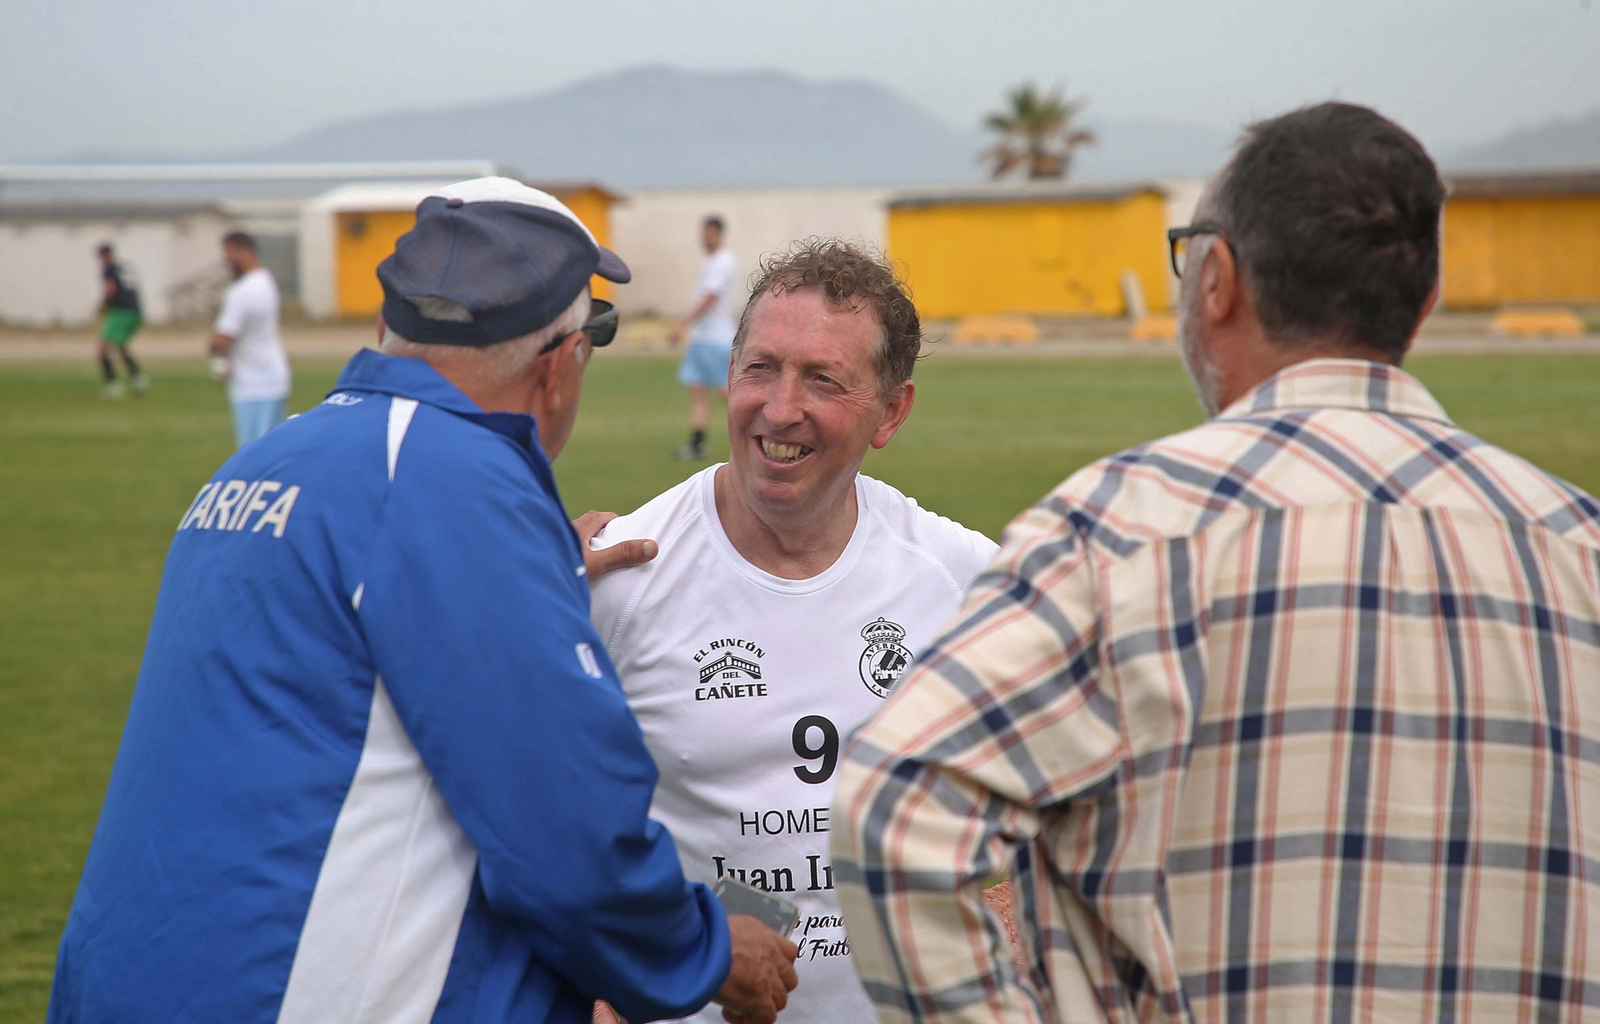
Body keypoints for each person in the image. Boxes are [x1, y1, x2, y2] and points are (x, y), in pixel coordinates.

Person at [833, 102, 1600, 1023]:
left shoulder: (1119, 535)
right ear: (1425, 301)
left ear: (1218, 281)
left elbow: (894, 810)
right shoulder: (1577, 546)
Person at [49, 178, 798, 1024]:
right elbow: (571, 836)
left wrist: (522, 583)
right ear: (558, 366)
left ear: (388, 328)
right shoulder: (457, 485)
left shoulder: (271, 460)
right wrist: (706, 950)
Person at [588, 239, 1000, 1024]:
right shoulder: (619, 575)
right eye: (761, 369)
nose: (780, 409)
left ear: (892, 411)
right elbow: (543, 832)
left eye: (823, 380)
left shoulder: (964, 582)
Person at [210, 231, 292, 448]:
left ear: (245, 252)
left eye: (229, 252)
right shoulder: (266, 281)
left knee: (253, 456)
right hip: (272, 378)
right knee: (270, 452)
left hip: (253, 385)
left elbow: (222, 340)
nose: (226, 259)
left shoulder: (242, 291)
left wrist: (212, 347)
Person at [668, 215, 738, 461]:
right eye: (703, 233)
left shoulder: (723, 261)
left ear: (718, 234)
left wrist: (683, 324)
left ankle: (753, 438)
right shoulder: (712, 261)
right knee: (697, 390)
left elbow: (710, 297)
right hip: (701, 338)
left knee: (727, 393)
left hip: (716, 338)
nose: (704, 238)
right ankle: (697, 444)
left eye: (708, 233)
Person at [95, 243, 148, 398]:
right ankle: (138, 377)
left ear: (104, 255)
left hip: (121, 311)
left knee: (103, 349)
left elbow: (111, 289)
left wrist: (103, 307)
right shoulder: (125, 267)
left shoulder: (109, 268)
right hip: (136, 312)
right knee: (121, 345)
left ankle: (113, 385)